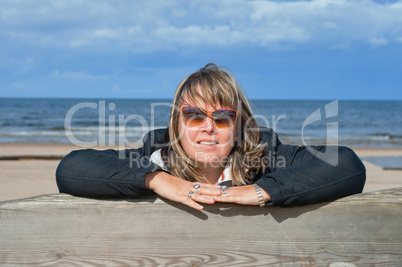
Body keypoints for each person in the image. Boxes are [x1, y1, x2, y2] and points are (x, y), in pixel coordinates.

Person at [56, 63, 366, 210]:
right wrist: (158, 180)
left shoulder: (268, 156)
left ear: (239, 125)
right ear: (176, 123)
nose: (208, 127)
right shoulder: (153, 158)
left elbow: (348, 165)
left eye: (222, 117)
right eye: (194, 115)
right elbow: (71, 168)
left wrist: (262, 190)